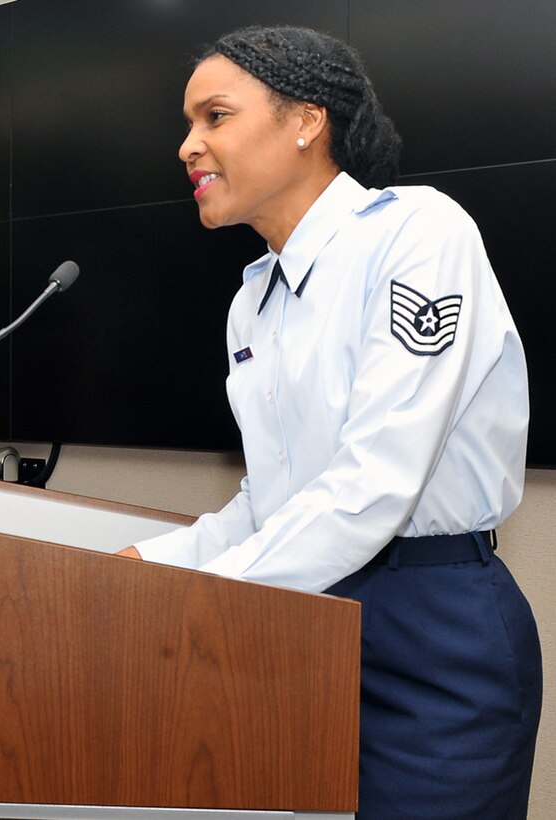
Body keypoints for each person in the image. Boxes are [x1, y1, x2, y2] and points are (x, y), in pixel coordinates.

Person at [119, 25, 543, 820]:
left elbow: (373, 483)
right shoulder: (252, 299)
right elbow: (270, 503)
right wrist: (140, 567)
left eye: (214, 116)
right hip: (292, 621)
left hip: (431, 629)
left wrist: (195, 596)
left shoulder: (415, 231)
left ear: (305, 121)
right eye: (186, 123)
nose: (187, 146)